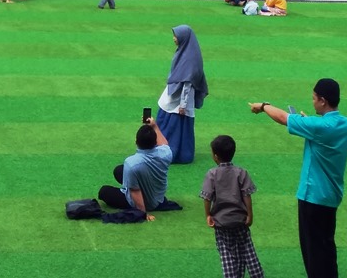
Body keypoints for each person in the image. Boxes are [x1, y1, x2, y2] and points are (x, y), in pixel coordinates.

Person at [248, 78, 347, 278]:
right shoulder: (345, 125)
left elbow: (282, 117)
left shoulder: (320, 127)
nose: (312, 102)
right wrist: (310, 123)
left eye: (314, 98)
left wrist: (262, 106)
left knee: (314, 252)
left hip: (312, 196)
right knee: (326, 247)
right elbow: (321, 133)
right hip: (330, 196)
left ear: (323, 100)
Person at [200, 135, 265, 278]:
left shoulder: (212, 174)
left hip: (221, 223)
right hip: (240, 221)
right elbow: (247, 195)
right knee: (247, 250)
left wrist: (208, 215)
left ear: (215, 156)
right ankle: (257, 274)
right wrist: (250, 214)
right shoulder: (241, 172)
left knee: (227, 255)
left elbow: (207, 197)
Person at [98, 117, 172, 221]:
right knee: (119, 170)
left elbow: (135, 191)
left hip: (149, 203)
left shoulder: (131, 163)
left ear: (136, 141)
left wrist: (143, 213)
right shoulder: (166, 153)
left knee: (104, 191)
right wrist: (154, 126)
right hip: (159, 198)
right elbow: (164, 143)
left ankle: (132, 198)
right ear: (155, 142)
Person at [156, 25, 208, 164]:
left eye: (176, 36)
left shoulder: (189, 58)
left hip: (178, 99)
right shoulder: (187, 52)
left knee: (172, 124)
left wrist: (183, 105)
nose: (174, 39)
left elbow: (187, 83)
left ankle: (169, 152)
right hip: (175, 95)